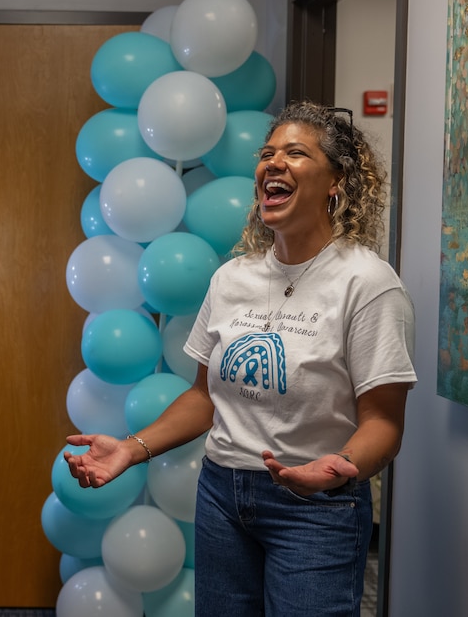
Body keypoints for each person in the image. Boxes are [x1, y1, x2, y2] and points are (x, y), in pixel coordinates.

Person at [65, 101, 416, 616]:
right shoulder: (233, 280)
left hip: (316, 509)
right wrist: (131, 449)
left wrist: (338, 469)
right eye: (267, 153)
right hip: (222, 498)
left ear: (336, 181)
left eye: (295, 153)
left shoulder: (367, 284)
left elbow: (384, 422)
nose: (273, 163)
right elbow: (205, 397)